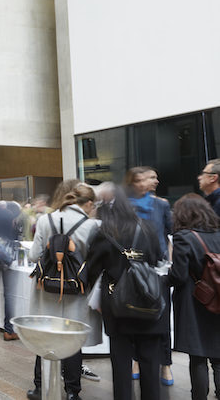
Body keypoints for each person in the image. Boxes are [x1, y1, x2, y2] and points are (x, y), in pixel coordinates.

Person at [85, 185, 168, 400]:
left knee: (121, 364)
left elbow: (91, 269)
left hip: (117, 303)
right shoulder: (148, 228)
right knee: (150, 363)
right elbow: (158, 259)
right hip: (147, 299)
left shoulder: (105, 232)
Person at [27, 184, 102, 400]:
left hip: (46, 289)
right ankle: (72, 392)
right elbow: (95, 262)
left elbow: (34, 256)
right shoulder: (92, 226)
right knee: (72, 340)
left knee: (45, 337)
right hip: (76, 290)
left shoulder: (45, 220)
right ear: (88, 203)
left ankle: (40, 388)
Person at [125, 166, 174, 385]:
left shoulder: (161, 205)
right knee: (136, 316)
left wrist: (168, 263)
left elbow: (169, 234)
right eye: (148, 177)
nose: (154, 181)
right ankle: (136, 360)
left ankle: (166, 364)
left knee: (162, 316)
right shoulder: (126, 206)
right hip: (133, 268)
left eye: (154, 177)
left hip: (158, 269)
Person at [169, 193, 220, 400]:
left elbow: (179, 275)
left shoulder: (184, 237)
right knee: (218, 356)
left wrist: (162, 279)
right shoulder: (218, 234)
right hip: (218, 300)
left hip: (194, 302)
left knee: (198, 356)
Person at [0, 200, 20, 341]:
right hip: (7, 256)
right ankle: (8, 330)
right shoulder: (10, 215)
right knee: (9, 295)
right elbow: (15, 235)